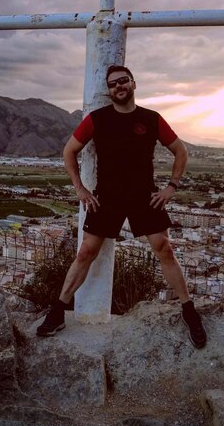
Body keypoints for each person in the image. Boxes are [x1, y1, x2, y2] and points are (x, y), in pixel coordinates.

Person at [36, 65, 207, 348]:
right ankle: (57, 312)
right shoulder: (97, 119)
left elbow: (180, 150)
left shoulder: (151, 119)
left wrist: (171, 187)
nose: (118, 87)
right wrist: (80, 189)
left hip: (144, 196)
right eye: (113, 84)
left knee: (164, 248)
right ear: (109, 90)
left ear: (133, 84)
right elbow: (69, 150)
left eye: (123, 81)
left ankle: (189, 311)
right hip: (107, 197)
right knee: (85, 253)